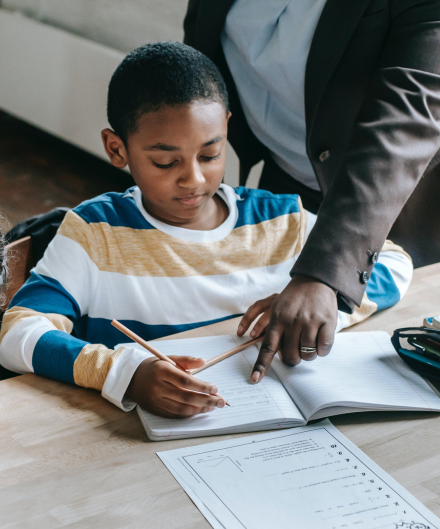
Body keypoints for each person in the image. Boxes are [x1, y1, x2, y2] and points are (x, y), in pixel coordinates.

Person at [0, 42, 412, 417]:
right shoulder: (95, 233)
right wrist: (124, 372)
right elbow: (18, 329)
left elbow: (394, 261)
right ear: (117, 148)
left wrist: (322, 302)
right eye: (166, 162)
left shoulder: (279, 218)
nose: (194, 179)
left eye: (211, 154)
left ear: (227, 128)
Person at [183, 0, 440, 382]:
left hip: (397, 209)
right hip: (286, 184)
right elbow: (194, 65)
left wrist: (324, 275)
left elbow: (403, 126)